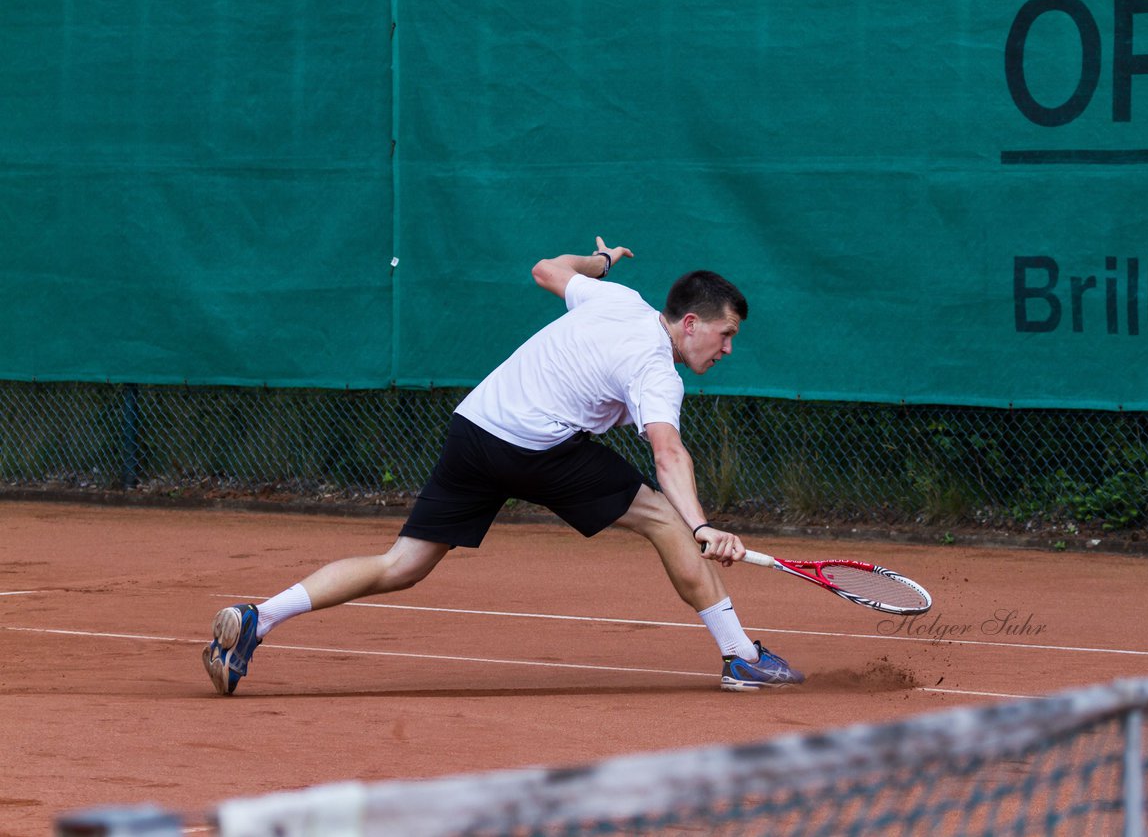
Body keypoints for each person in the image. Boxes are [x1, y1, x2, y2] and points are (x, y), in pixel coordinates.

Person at [202, 237, 804, 694]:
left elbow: (548, 270)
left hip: (475, 426)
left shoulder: (617, 299)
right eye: (724, 335)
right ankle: (740, 657)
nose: (727, 349)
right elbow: (668, 452)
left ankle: (259, 617)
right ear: (691, 322)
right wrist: (700, 527)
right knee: (665, 522)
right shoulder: (655, 368)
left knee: (402, 564)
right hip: (533, 446)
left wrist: (604, 262)